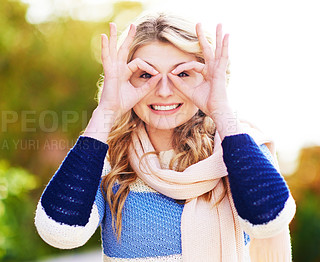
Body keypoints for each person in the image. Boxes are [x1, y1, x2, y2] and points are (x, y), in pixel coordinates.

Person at [34, 12, 296, 261]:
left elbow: (269, 221)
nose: (163, 91)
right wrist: (106, 111)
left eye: (182, 74)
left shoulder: (239, 147)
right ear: (125, 80)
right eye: (145, 75)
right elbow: (61, 233)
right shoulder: (107, 157)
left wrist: (221, 110)